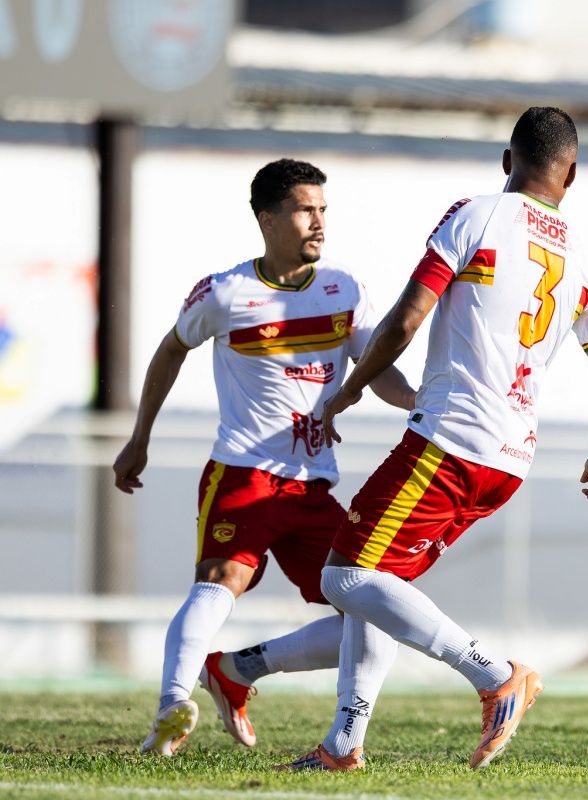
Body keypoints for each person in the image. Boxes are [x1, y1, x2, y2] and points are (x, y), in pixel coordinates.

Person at [278, 106, 588, 771]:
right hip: (509, 460)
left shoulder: (477, 215)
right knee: (379, 585)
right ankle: (342, 746)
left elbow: (405, 320)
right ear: (572, 173)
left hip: (450, 441)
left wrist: (354, 387)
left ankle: (495, 675)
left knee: (347, 574)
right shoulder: (584, 257)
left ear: (507, 160)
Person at [113, 158, 416, 756]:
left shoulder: (343, 289)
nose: (319, 223)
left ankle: (238, 669)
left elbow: (376, 369)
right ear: (268, 219)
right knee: (220, 582)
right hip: (244, 473)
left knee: (370, 610)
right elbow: (170, 351)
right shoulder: (225, 292)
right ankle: (174, 705)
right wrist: (139, 436)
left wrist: (420, 405)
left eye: (324, 210)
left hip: (313, 488)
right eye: (306, 210)